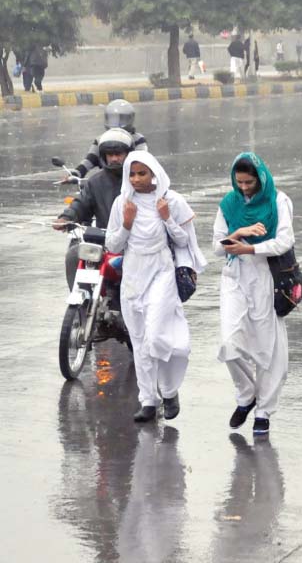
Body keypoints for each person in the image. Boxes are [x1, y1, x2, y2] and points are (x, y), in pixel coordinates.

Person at [105, 151, 206, 422]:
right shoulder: (122, 204)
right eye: (133, 174)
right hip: (133, 275)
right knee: (139, 342)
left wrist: (166, 218)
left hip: (161, 272)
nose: (137, 179)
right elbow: (112, 245)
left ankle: (169, 391)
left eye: (143, 173)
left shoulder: (171, 201)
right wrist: (126, 224)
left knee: (156, 336)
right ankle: (148, 400)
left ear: (154, 173)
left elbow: (184, 240)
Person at [213, 153, 295, 435]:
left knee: (268, 347)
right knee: (229, 342)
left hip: (266, 276)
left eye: (249, 183)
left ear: (260, 178)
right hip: (235, 277)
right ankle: (247, 395)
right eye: (240, 183)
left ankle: (264, 411)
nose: (245, 188)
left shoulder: (278, 201)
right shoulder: (229, 204)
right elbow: (217, 245)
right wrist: (239, 233)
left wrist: (251, 248)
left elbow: (284, 241)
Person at [53, 128, 132, 288]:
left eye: (119, 154)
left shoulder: (136, 178)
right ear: (104, 156)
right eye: (111, 155)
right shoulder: (95, 182)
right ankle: (82, 298)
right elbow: (81, 203)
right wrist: (67, 217)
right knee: (74, 254)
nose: (115, 158)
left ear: (127, 154)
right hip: (106, 241)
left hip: (134, 242)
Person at [71, 99, 148, 180]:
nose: (117, 122)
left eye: (122, 119)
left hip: (130, 180)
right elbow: (90, 159)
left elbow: (142, 160)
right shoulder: (101, 139)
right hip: (106, 183)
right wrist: (77, 173)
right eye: (113, 118)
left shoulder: (138, 139)